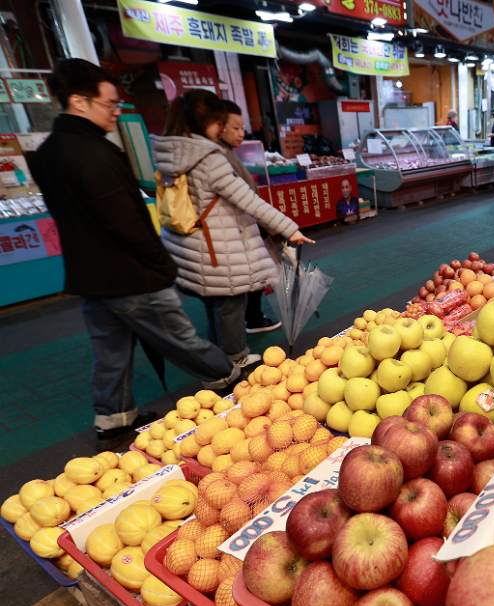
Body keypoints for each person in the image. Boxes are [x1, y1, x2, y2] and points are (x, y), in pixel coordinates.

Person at [28, 59, 241, 451]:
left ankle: (114, 424)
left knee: (110, 353)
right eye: (109, 104)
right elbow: (124, 222)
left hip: (90, 278)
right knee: (180, 337)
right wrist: (162, 266)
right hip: (129, 273)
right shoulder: (91, 152)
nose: (116, 111)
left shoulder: (47, 151)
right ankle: (233, 382)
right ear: (79, 101)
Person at [151, 89, 313, 370]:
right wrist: (289, 228)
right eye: (219, 122)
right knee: (229, 304)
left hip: (189, 243)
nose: (222, 129)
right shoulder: (209, 159)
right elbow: (248, 200)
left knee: (212, 302)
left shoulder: (171, 153)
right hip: (217, 247)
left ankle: (219, 355)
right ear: (204, 122)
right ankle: (235, 358)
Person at [219, 100, 281, 336]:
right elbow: (243, 198)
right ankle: (241, 337)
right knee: (242, 285)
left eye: (242, 127)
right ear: (218, 126)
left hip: (245, 227)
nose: (241, 133)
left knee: (252, 278)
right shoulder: (218, 157)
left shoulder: (225, 153)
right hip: (238, 231)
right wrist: (269, 225)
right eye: (235, 127)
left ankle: (251, 319)